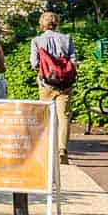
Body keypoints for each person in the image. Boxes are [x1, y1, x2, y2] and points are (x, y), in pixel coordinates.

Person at [30, 11, 78, 164]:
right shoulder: (67, 38)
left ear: (42, 24)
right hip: (65, 83)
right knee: (64, 116)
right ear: (57, 23)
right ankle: (62, 149)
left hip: (46, 83)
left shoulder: (37, 41)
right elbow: (74, 61)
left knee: (46, 115)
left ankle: (46, 149)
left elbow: (34, 63)